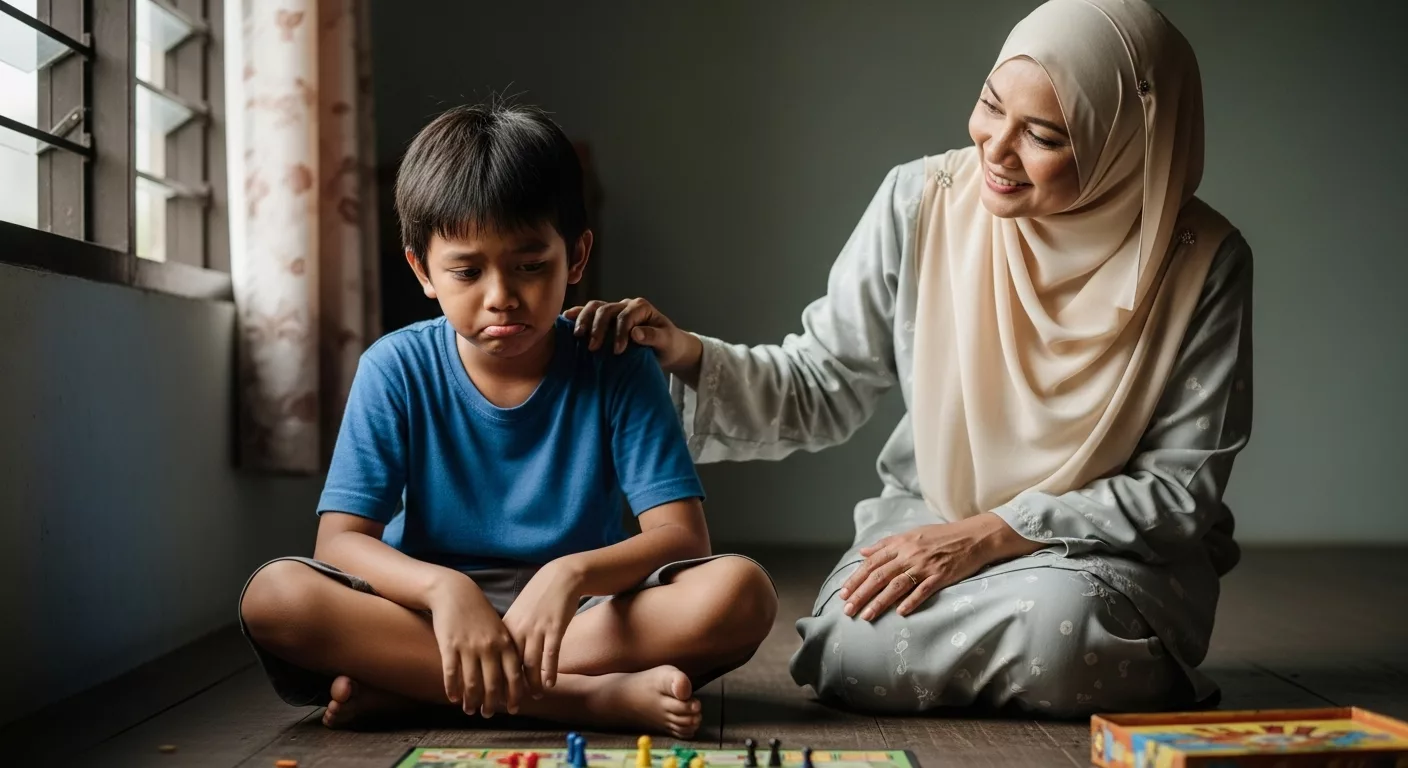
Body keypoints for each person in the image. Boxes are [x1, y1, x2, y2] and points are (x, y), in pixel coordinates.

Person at [568, 0, 1252, 717]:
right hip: (930, 514)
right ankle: (1026, 662)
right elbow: (822, 382)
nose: (996, 148)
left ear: (1122, 148)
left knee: (1067, 632)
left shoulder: (1202, 263)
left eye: (1043, 135)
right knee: (852, 643)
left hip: (1096, 550)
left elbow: (1177, 491)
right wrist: (685, 355)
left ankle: (1023, 652)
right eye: (990, 105)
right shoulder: (922, 202)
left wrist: (989, 537)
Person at [238, 103, 777, 738]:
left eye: (530, 265)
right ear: (422, 271)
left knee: (741, 594)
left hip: (580, 620)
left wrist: (569, 575)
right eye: (467, 271)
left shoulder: (615, 363)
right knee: (276, 597)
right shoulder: (395, 367)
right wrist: (445, 591)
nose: (501, 295)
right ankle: (586, 702)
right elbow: (340, 543)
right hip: (426, 618)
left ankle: (422, 689)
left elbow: (684, 539)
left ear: (575, 258)